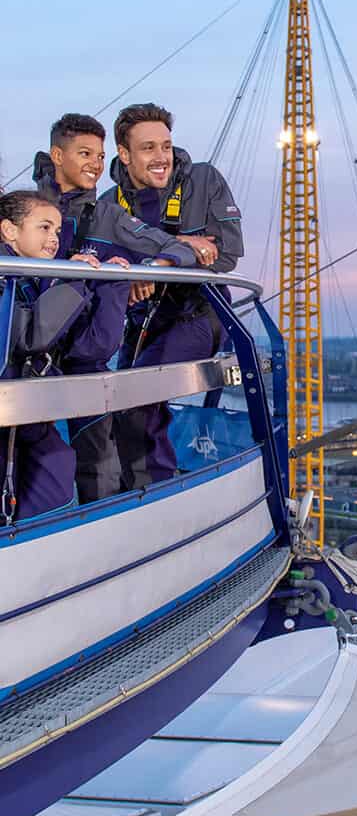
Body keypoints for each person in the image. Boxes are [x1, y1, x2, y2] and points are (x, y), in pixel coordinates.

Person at [33, 113, 200, 501]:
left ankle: (107, 545)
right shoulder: (26, 211)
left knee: (98, 465)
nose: (95, 164)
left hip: (84, 360)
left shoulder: (108, 217)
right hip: (28, 357)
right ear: (57, 155)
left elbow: (175, 248)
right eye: (84, 153)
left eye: (100, 154)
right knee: (33, 463)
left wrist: (150, 270)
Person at [102, 103, 244, 489]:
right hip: (141, 317)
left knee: (139, 396)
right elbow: (101, 260)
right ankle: (129, 489)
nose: (161, 157)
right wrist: (176, 248)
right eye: (148, 148)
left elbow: (226, 252)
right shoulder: (109, 203)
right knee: (115, 400)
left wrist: (156, 263)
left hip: (200, 314)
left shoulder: (203, 180)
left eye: (166, 145)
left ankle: (157, 493)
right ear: (124, 153)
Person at [0, 191, 128, 522]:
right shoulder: (7, 276)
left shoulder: (33, 276)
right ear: (9, 230)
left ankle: (30, 551)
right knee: (50, 465)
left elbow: (89, 346)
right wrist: (68, 278)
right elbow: (29, 337)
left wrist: (112, 286)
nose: (54, 239)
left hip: (30, 407)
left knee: (56, 463)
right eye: (44, 228)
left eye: (57, 231)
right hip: (12, 407)